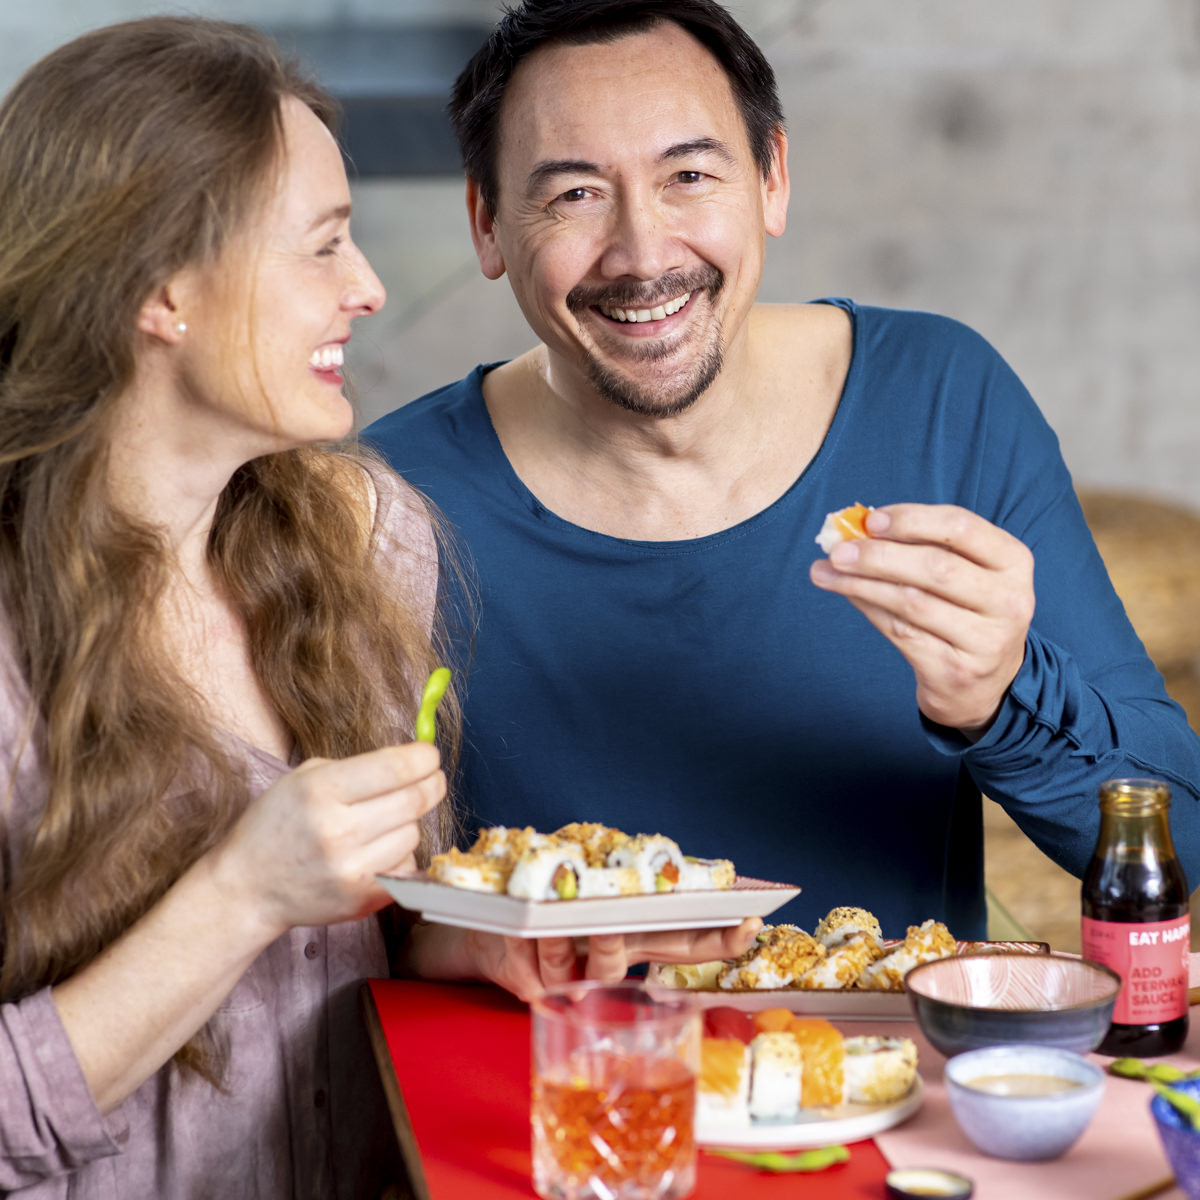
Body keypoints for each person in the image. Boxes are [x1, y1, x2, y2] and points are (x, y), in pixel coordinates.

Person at [366, 0, 1200, 945]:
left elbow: (1180, 828)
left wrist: (1000, 692)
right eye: (574, 195)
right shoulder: (386, 498)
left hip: (886, 1083)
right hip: (553, 1083)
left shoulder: (940, 402)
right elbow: (335, 923)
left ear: (772, 180)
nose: (642, 255)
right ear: (485, 224)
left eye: (689, 174)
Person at [0, 17, 454, 1197]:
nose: (368, 288)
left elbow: (361, 954)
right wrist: (242, 892)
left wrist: (499, 946)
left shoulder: (369, 535)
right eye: (323, 246)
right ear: (164, 292)